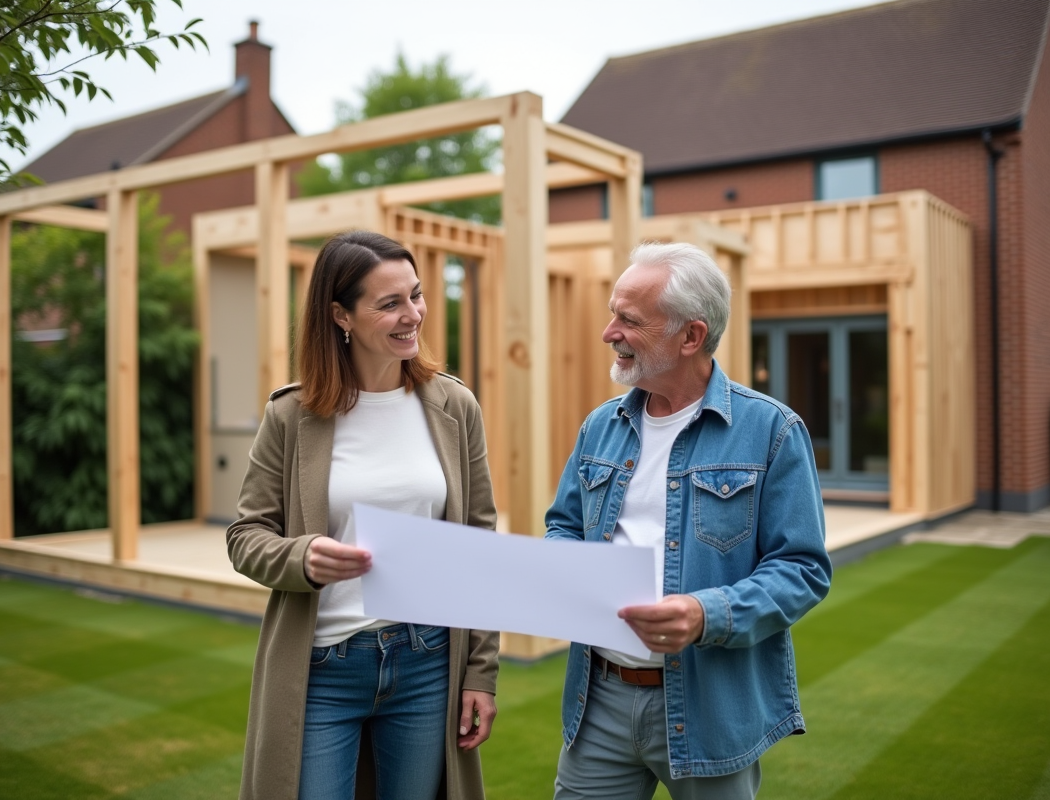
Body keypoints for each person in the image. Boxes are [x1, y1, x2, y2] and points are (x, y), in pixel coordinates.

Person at [545, 242, 831, 800]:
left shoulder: (771, 431)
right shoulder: (600, 426)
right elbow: (564, 525)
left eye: (629, 320)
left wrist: (706, 614)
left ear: (691, 336)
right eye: (613, 314)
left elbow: (802, 569)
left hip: (710, 707)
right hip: (597, 699)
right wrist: (564, 566)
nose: (608, 332)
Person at [226, 230, 499, 800]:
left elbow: (478, 545)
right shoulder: (291, 415)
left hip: (427, 661)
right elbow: (246, 536)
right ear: (340, 315)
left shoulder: (455, 405)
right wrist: (303, 557)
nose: (412, 315)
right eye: (389, 303)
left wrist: (480, 672)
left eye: (416, 295)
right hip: (321, 668)